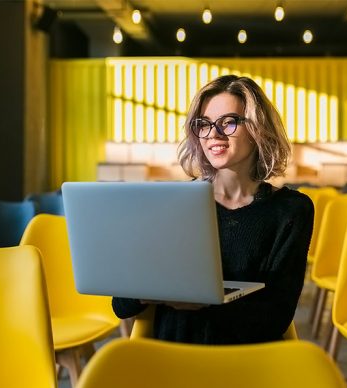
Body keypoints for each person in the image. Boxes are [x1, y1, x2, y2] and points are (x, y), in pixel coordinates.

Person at [112, 75, 314, 344]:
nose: (213, 134)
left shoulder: (291, 211)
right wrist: (146, 291)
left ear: (257, 129)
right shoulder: (170, 203)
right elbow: (121, 305)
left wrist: (205, 303)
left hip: (248, 358)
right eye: (204, 124)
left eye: (228, 122)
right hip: (172, 355)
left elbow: (276, 317)